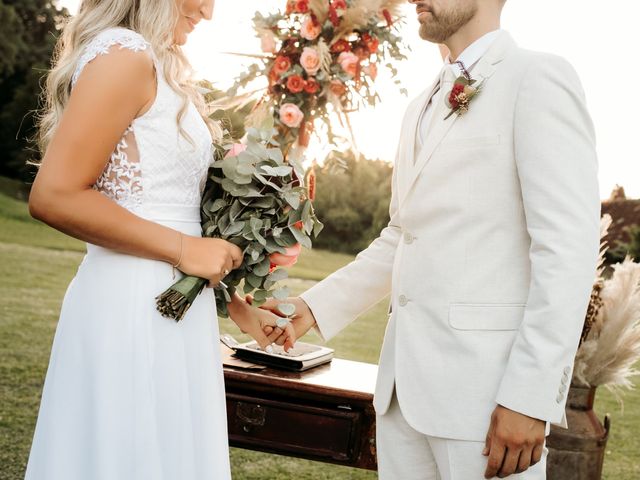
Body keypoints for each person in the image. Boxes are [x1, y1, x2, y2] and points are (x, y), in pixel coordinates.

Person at [261, 0, 600, 478]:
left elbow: (567, 247)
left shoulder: (537, 78)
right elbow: (402, 235)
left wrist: (531, 395)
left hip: (489, 401)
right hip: (402, 395)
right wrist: (312, 308)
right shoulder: (419, 105)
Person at [24, 1, 290, 478]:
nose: (209, 13)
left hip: (173, 311)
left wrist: (235, 304)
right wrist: (188, 250)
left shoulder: (155, 63)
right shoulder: (123, 55)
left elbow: (175, 212)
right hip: (130, 310)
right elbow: (55, 194)